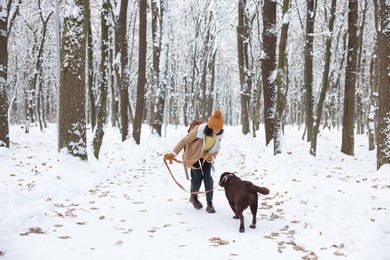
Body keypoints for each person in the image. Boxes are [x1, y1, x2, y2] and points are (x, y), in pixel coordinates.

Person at [164, 110, 224, 213]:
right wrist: (173, 153)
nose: (216, 130)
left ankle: (209, 202)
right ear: (210, 125)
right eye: (214, 128)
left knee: (208, 177)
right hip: (193, 155)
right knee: (197, 176)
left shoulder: (218, 135)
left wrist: (211, 157)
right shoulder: (199, 130)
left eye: (219, 128)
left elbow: (216, 149)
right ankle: (193, 197)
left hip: (205, 157)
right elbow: (184, 141)